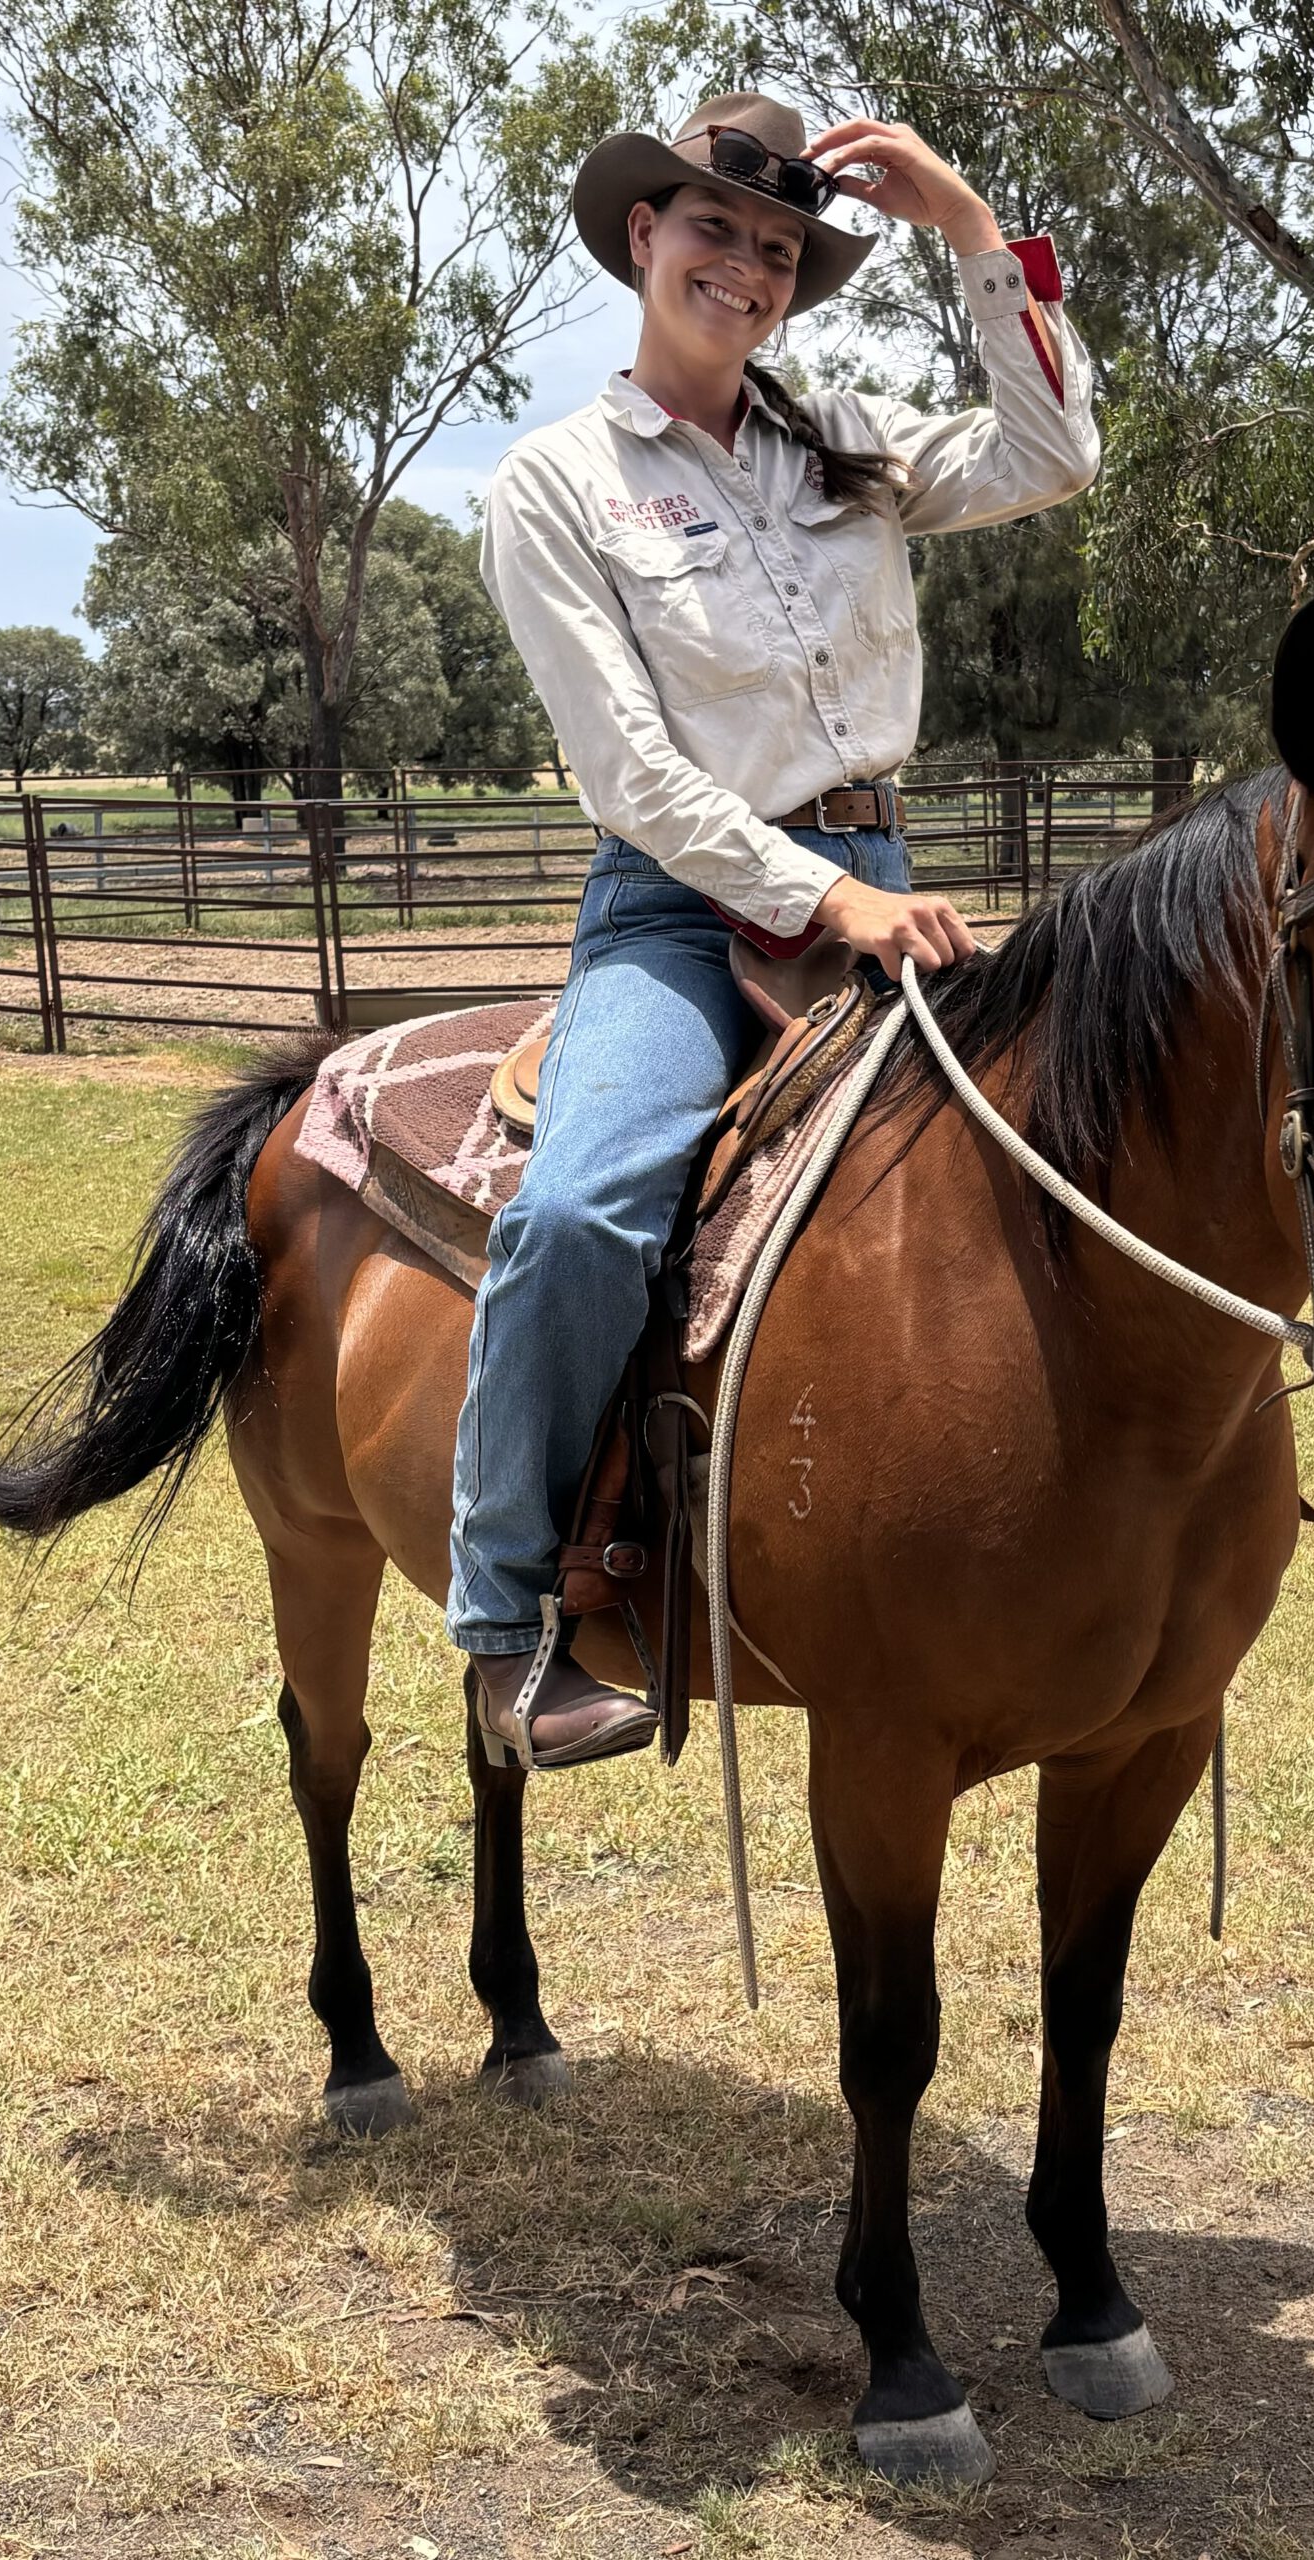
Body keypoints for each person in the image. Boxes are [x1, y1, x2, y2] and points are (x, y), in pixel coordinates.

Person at [452, 90, 1100, 1771]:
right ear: (643, 236)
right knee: (583, 1207)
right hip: (685, 912)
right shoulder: (557, 486)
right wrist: (831, 899)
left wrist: (975, 233)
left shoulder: (845, 441)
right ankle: (509, 1627)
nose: (743, 265)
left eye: (775, 247)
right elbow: (631, 775)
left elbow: (1050, 454)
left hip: (889, 880)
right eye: (713, 229)